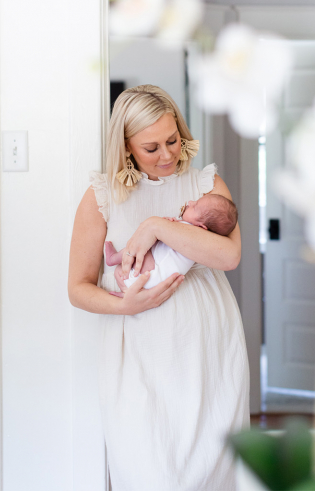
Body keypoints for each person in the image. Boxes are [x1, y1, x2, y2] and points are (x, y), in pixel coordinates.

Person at [67, 84, 249, 490]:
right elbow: (78, 288)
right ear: (127, 146)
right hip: (138, 353)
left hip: (207, 351)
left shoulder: (206, 185)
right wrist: (126, 306)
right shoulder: (102, 198)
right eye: (151, 147)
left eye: (173, 139)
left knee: (212, 468)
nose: (167, 154)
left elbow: (229, 256)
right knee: (147, 467)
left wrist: (154, 227)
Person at [104, 193, 238, 291]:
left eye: (195, 206)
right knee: (122, 268)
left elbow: (166, 234)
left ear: (202, 227)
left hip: (153, 272)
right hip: (152, 276)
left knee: (137, 247)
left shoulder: (195, 235)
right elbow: (168, 233)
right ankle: (124, 286)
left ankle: (113, 258)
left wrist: (159, 226)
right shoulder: (191, 230)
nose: (190, 202)